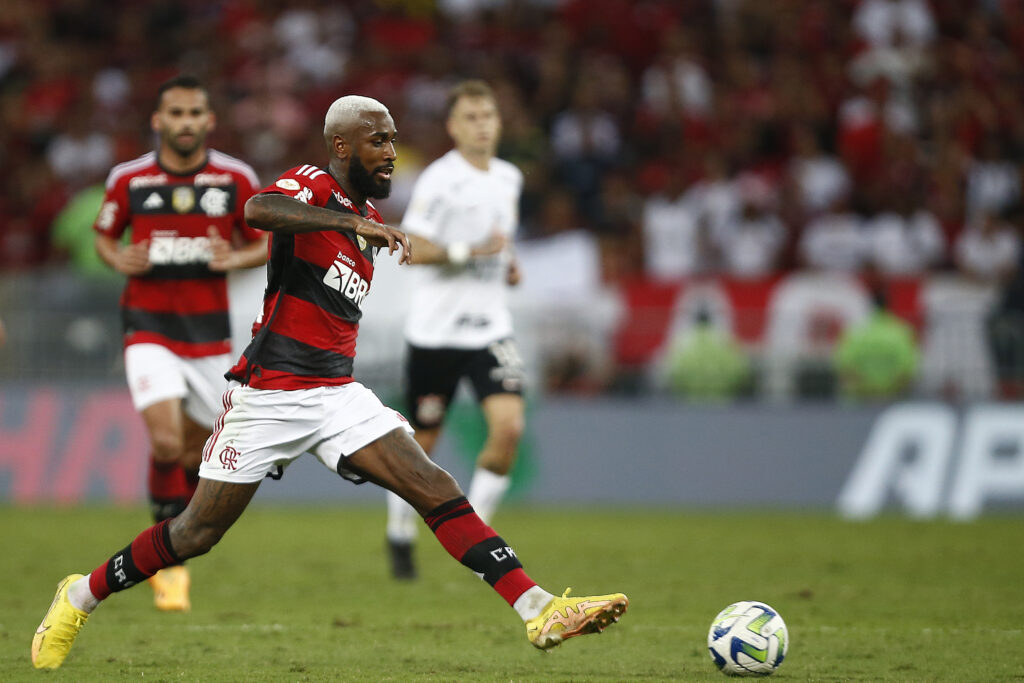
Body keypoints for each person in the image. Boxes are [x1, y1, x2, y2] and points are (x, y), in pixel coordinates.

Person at [31, 95, 628, 671]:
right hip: (266, 395)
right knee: (195, 532)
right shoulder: (316, 184)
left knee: (431, 482)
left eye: (394, 140)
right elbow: (258, 211)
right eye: (379, 140)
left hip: (337, 395)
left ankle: (538, 608)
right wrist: (346, 221)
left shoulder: (366, 217)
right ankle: (79, 595)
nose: (391, 151)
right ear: (343, 145)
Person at [91, 75, 269, 611]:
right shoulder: (129, 179)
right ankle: (166, 566)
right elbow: (105, 233)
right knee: (166, 442)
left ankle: (174, 535)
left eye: (195, 113)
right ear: (158, 120)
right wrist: (116, 256)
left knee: (197, 451)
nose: (185, 122)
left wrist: (231, 259)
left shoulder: (236, 178)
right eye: (176, 113)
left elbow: (262, 242)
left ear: (209, 121)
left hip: (209, 337)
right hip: (148, 327)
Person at [385, 80, 527, 580]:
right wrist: (470, 253)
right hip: (436, 333)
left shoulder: (509, 177)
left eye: (488, 116)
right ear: (452, 126)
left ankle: (480, 539)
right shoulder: (439, 181)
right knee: (420, 447)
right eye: (470, 117)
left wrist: (508, 264)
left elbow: (500, 242)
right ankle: (400, 530)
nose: (481, 125)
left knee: (509, 428)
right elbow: (411, 248)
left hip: (490, 328)